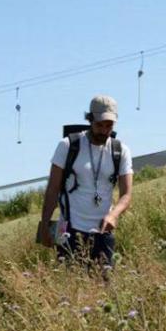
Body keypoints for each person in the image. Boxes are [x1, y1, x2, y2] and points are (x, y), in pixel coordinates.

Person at [39, 95, 133, 269]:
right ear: (90, 119)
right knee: (69, 288)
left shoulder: (121, 151)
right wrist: (44, 225)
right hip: (66, 229)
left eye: (109, 125)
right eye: (99, 124)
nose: (104, 130)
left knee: (103, 287)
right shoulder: (67, 146)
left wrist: (113, 215)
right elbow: (52, 190)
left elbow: (126, 195)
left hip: (103, 232)